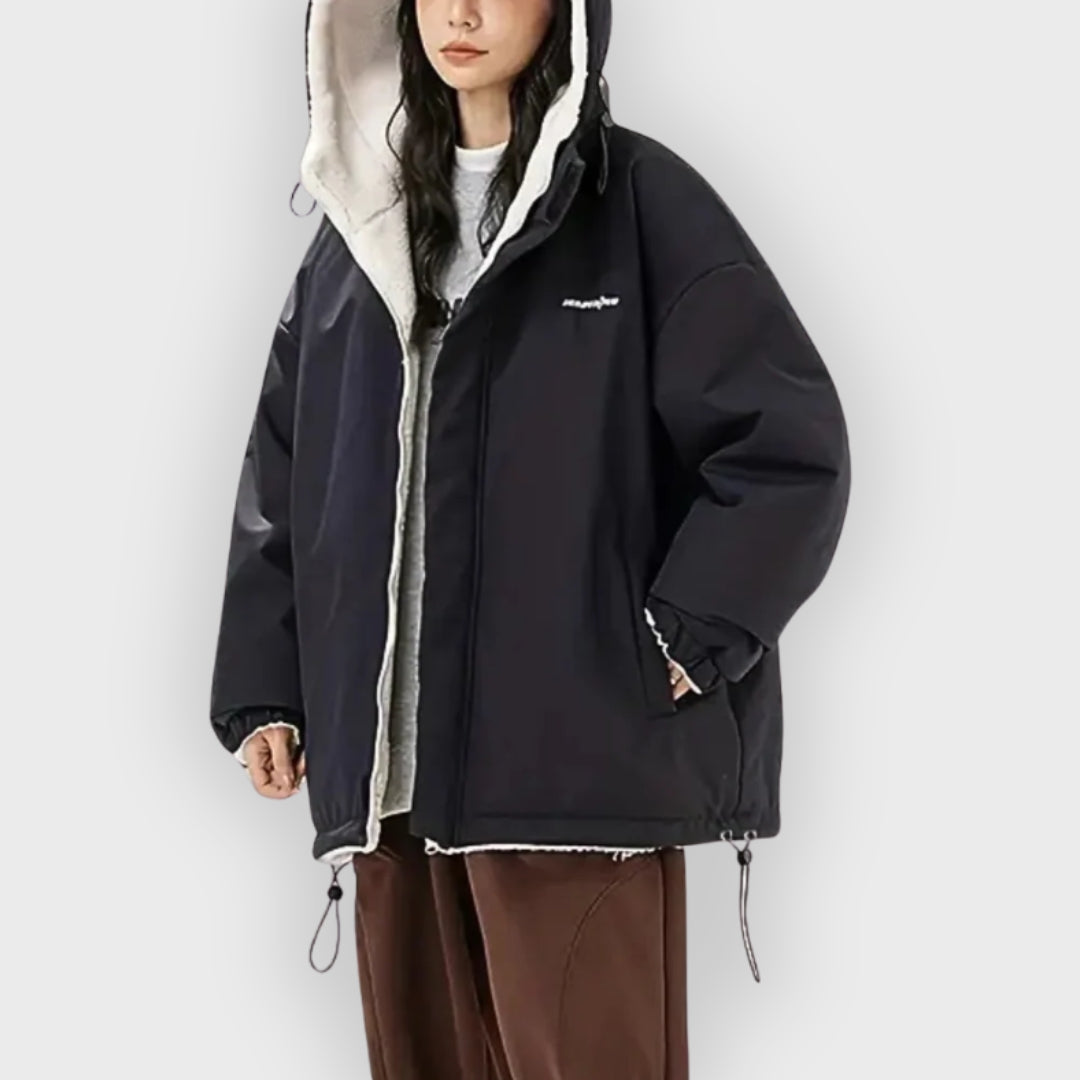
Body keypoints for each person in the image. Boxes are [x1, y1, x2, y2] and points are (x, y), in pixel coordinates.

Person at [208, 1, 851, 1076]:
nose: (460, 12)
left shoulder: (641, 207)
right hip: (393, 795)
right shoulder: (357, 234)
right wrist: (267, 687)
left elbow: (786, 448)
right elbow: (288, 470)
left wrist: (682, 637)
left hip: (576, 777)